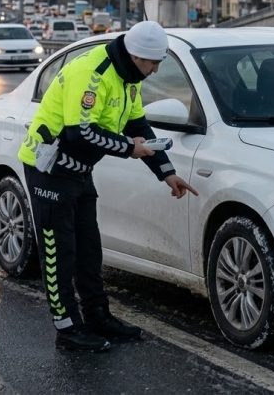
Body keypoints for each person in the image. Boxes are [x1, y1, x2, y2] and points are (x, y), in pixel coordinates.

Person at [17, 20, 198, 352]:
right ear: (134, 55)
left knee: (90, 248)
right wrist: (130, 148)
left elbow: (137, 122)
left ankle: (98, 316)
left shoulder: (129, 77)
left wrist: (166, 172)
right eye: (152, 63)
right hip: (50, 169)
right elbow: (79, 132)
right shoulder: (94, 73)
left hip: (80, 169)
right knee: (60, 253)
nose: (155, 71)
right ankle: (68, 330)